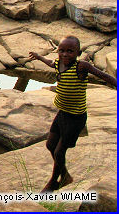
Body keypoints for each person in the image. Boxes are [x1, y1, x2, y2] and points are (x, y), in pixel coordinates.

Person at [29, 36, 116, 193]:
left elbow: (105, 76)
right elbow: (50, 63)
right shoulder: (58, 63)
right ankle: (66, 176)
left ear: (78, 53)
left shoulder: (81, 67)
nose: (65, 54)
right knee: (50, 145)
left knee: (59, 151)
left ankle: (53, 182)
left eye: (70, 51)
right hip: (62, 113)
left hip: (75, 117)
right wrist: (38, 56)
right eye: (61, 51)